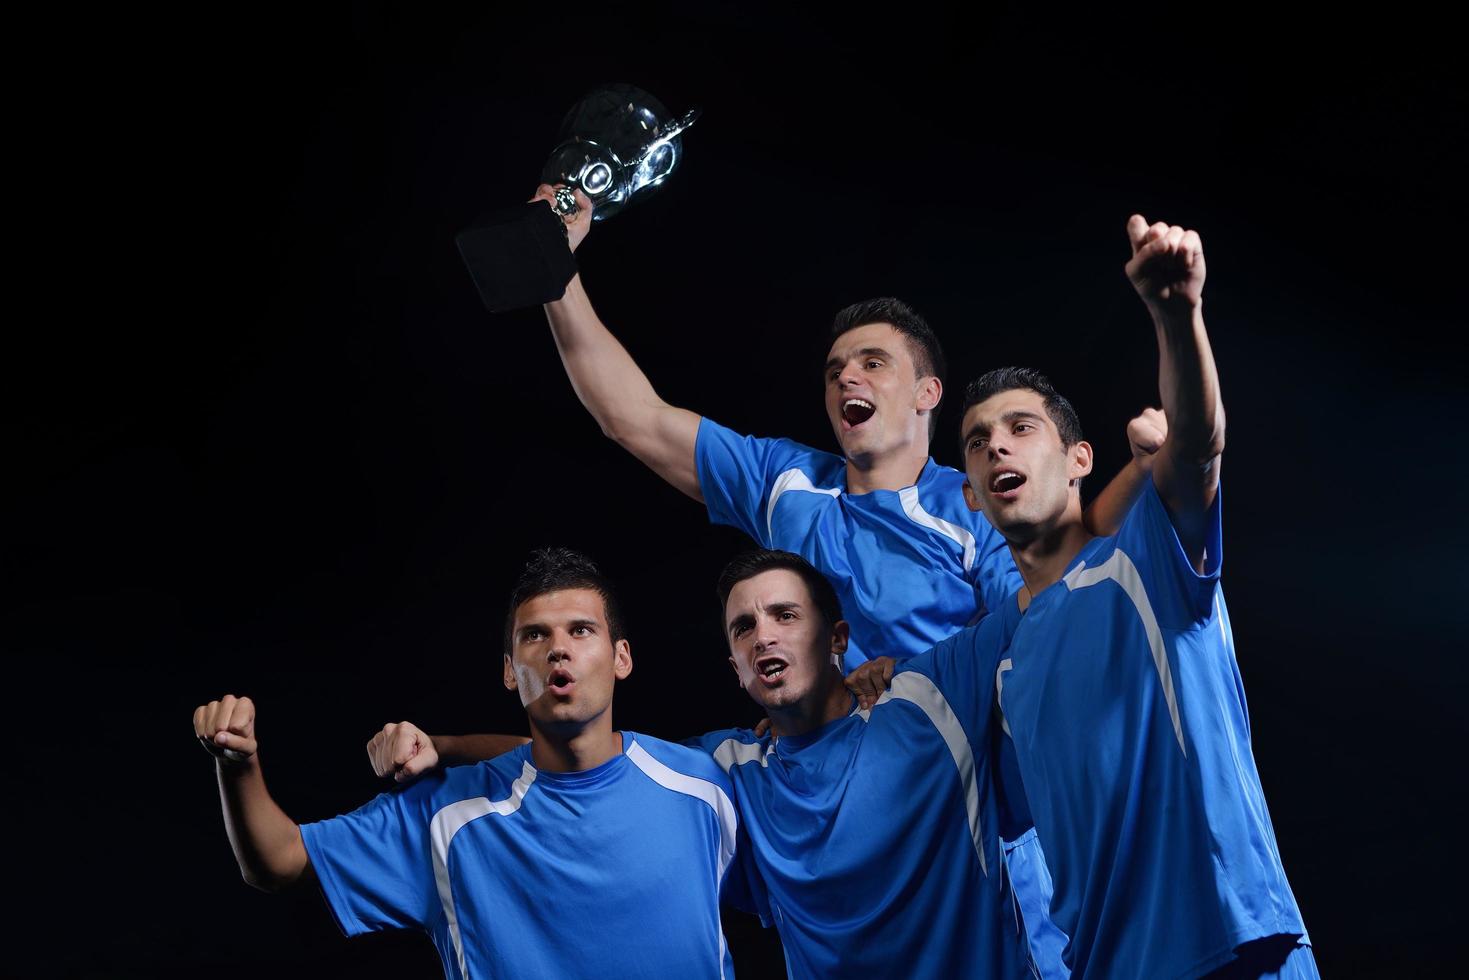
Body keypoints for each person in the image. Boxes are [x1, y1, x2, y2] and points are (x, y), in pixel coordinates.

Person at [938, 215, 1312, 977]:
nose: (997, 447)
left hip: (1231, 950)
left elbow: (1197, 446)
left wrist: (1176, 315)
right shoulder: (1005, 666)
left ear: (1079, 459)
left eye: (1020, 428)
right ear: (972, 497)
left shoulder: (1145, 558)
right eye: (978, 442)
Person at [375, 549, 1036, 979]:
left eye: (783, 615)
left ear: (836, 638)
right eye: (742, 628)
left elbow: (1052, 592)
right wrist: (448, 745)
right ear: (733, 664)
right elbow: (586, 758)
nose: (763, 635)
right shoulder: (725, 767)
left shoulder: (927, 695)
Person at [193, 548, 741, 980]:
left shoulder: (703, 782)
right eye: (535, 635)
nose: (558, 649)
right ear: (510, 670)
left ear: (621, 657)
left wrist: (446, 741)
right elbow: (276, 861)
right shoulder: (445, 817)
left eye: (581, 629)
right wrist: (237, 763)